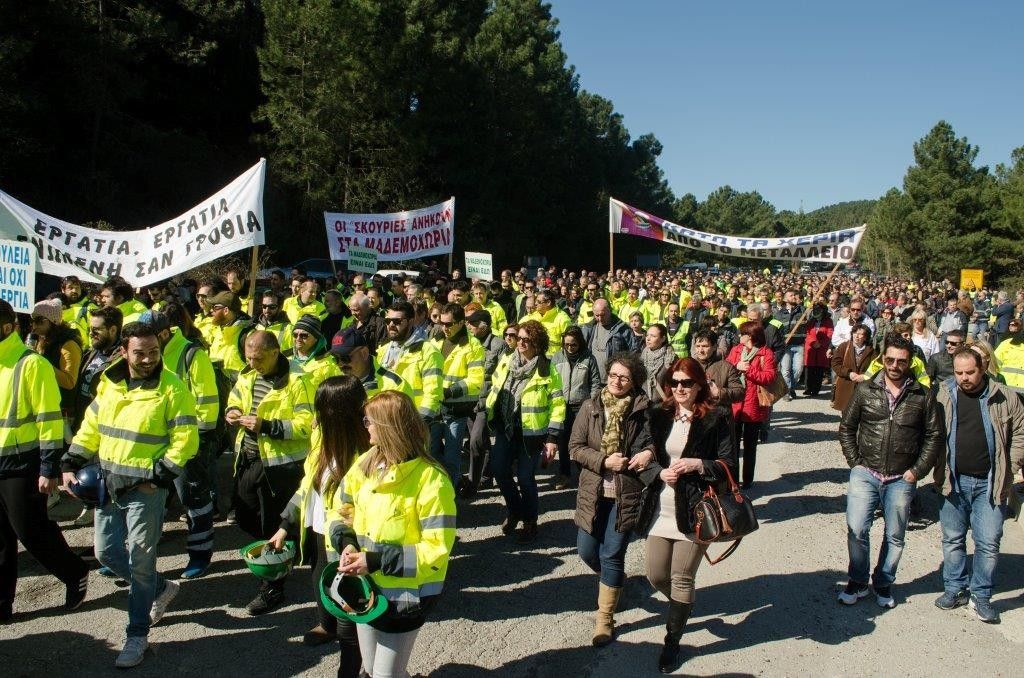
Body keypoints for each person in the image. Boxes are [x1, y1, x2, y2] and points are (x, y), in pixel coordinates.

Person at [63, 321, 199, 667]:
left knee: (140, 561)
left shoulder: (172, 387)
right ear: (124, 351)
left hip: (144, 490)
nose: (148, 359)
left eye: (154, 351)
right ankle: (160, 588)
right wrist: (71, 459)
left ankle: (136, 634)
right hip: (109, 484)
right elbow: (92, 427)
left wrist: (160, 476)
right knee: (106, 554)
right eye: (140, 352)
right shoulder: (109, 382)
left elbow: (186, 439)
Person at [328, 391, 456, 678]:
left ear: (389, 428)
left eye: (369, 421)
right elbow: (338, 507)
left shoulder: (433, 481)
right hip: (367, 589)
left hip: (406, 598)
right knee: (373, 669)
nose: (365, 426)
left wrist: (375, 560)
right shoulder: (366, 464)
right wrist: (346, 543)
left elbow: (436, 550)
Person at [638, 357, 734, 673]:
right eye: (675, 382)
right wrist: (654, 467)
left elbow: (728, 466)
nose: (680, 388)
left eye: (687, 383)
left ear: (699, 386)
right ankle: (685, 604)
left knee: (681, 577)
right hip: (661, 508)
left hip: (695, 509)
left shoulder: (717, 418)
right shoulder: (659, 414)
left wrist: (698, 465)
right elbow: (650, 452)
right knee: (655, 575)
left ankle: (672, 643)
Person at [269, 376, 368, 672]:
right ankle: (327, 624)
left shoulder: (363, 456)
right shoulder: (322, 440)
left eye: (320, 410)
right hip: (317, 529)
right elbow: (307, 485)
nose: (315, 417)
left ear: (336, 413)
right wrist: (286, 523)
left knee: (349, 599)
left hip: (345, 540)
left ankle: (361, 655)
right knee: (320, 579)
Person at [837, 334, 942, 609]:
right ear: (882, 359)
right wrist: (854, 461)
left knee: (895, 534)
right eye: (890, 359)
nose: (895, 365)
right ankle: (858, 581)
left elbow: (934, 436)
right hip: (866, 471)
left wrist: (917, 471)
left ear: (911, 363)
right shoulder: (866, 390)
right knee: (857, 528)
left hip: (901, 477)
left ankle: (883, 582)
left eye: (901, 361)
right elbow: (847, 426)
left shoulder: (923, 395)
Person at [0, 300, 89, 624]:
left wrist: (49, 467)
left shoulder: (31, 364)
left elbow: (49, 420)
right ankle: (2, 604)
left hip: (23, 463)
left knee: (30, 532)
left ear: (7, 327)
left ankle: (74, 571)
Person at [932, 347, 1024, 623]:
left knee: (988, 542)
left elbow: (1019, 432)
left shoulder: (1004, 397)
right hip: (953, 480)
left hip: (991, 483)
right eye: (959, 373)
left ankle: (981, 596)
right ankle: (955, 588)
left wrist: (1014, 466)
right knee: (953, 539)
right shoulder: (943, 394)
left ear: (982, 368)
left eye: (970, 372)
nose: (964, 378)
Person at [226, 331, 314, 615]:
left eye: (259, 358)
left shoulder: (299, 381)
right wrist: (232, 409)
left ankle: (272, 588)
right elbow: (236, 395)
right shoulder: (248, 373)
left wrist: (267, 426)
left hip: (279, 467)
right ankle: (291, 550)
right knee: (244, 515)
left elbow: (307, 424)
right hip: (249, 459)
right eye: (249, 358)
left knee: (270, 526)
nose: (253, 364)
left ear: (276, 352)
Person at [569, 353, 654, 647]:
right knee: (587, 551)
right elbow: (575, 448)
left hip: (625, 492)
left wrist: (649, 453)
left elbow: (656, 443)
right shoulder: (590, 407)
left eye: (624, 377)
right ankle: (614, 581)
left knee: (612, 554)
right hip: (593, 491)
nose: (617, 381)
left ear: (634, 382)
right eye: (613, 375)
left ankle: (605, 618)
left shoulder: (643, 409)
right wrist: (605, 461)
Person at [142, 308, 220, 578]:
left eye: (150, 341)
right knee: (149, 499)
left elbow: (207, 405)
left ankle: (200, 554)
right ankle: (135, 562)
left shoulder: (192, 355)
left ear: (164, 333)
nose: (144, 350)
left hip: (186, 444)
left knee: (193, 499)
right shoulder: (146, 354)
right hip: (153, 443)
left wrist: (195, 444)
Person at [484, 319, 565, 543]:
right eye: (518, 338)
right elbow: (495, 387)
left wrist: (552, 438)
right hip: (504, 429)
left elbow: (557, 405)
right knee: (499, 472)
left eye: (526, 340)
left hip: (531, 435)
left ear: (537, 344)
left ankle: (530, 521)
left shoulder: (547, 369)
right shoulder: (506, 361)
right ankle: (515, 509)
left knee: (525, 478)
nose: (520, 343)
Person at [431, 303, 485, 483]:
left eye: (449, 324)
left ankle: (451, 496)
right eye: (442, 323)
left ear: (461, 322)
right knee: (430, 453)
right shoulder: (435, 341)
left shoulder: (473, 346)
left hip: (455, 409)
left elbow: (476, 380)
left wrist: (450, 391)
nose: (444, 328)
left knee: (452, 457)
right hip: (433, 407)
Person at [725, 322, 777, 488]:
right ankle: (732, 480)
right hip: (735, 405)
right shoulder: (736, 350)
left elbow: (769, 377)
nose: (739, 336)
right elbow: (725, 370)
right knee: (732, 447)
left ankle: (747, 480)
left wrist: (749, 371)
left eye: (742, 333)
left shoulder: (765, 353)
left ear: (751, 336)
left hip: (753, 405)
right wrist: (736, 366)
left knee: (749, 446)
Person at [30, 298, 83, 450]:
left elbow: (69, 381)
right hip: (44, 407)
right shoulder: (43, 340)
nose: (33, 325)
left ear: (51, 322)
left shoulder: (69, 344)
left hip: (62, 412)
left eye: (38, 320)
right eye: (32, 320)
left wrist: (41, 362)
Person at [552, 326, 601, 489]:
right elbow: (552, 381)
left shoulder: (589, 358)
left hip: (581, 406)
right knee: (563, 441)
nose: (570, 348)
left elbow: (595, 382)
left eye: (573, 344)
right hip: (561, 406)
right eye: (566, 344)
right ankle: (564, 475)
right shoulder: (557, 357)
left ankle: (584, 475)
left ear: (580, 343)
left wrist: (592, 403)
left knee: (582, 442)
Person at [581, 299, 633, 385]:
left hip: (615, 382)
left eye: (603, 315)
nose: (600, 319)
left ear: (610, 311)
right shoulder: (588, 328)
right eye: (597, 315)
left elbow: (633, 353)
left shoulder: (623, 329)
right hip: (593, 380)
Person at [831, 324, 876, 413]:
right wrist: (849, 373)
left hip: (863, 387)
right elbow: (835, 364)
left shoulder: (872, 350)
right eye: (855, 332)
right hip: (845, 385)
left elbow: (876, 367)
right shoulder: (844, 346)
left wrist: (865, 376)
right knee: (845, 415)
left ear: (866, 337)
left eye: (860, 334)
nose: (857, 335)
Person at [802, 303, 834, 396]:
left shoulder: (828, 321)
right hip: (810, 348)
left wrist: (820, 344)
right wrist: (812, 342)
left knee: (819, 370)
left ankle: (816, 389)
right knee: (809, 369)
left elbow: (830, 334)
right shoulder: (811, 321)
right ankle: (808, 388)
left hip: (821, 348)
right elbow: (807, 332)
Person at [640, 323, 675, 405]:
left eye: (653, 336)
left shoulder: (670, 358)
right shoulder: (642, 356)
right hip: (643, 403)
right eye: (647, 335)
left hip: (662, 405)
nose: (648, 338)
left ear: (663, 339)